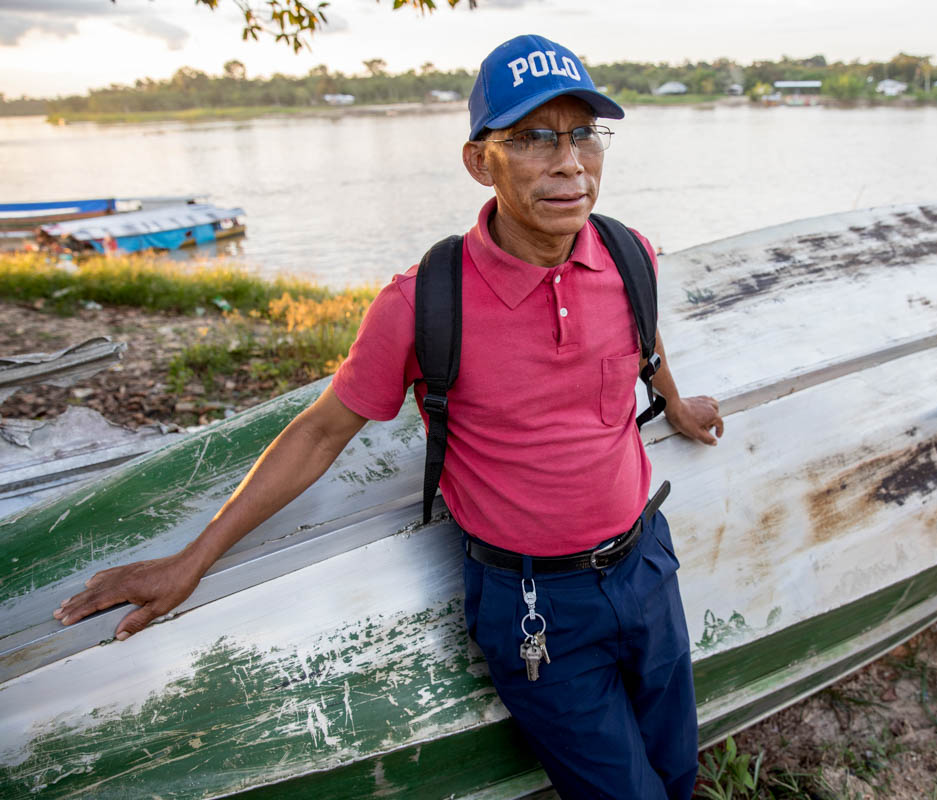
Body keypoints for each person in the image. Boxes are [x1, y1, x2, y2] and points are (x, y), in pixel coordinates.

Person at [52, 33, 723, 800]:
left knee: (677, 768)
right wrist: (192, 558)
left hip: (646, 565)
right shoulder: (424, 303)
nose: (569, 161)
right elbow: (317, 435)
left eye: (583, 135)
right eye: (533, 137)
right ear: (481, 161)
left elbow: (643, 334)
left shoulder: (630, 253)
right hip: (537, 606)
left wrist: (673, 398)